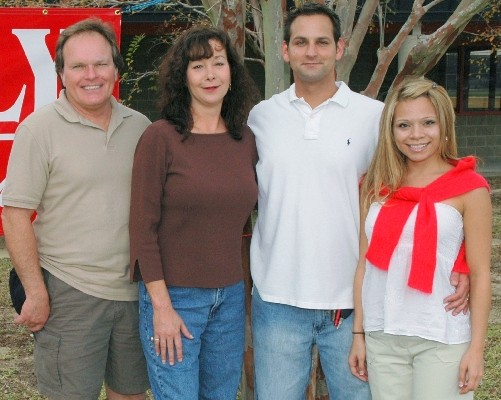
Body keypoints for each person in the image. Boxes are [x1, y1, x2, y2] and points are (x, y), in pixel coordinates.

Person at [247, 3, 470, 400]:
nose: (311, 51)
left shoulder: (376, 117)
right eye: (301, 42)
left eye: (321, 41)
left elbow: (427, 191)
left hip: (355, 303)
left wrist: (460, 262)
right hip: (277, 298)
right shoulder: (261, 118)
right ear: (285, 51)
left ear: (340, 47)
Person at [1, 18, 151, 400]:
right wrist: (35, 292)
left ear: (117, 69)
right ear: (61, 73)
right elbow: (15, 214)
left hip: (135, 291)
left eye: (100, 64)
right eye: (78, 66)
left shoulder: (141, 127)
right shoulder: (38, 130)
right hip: (69, 292)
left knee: (131, 394)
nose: (91, 75)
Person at [129, 26, 259, 400]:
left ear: (231, 72)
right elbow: (142, 229)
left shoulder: (244, 140)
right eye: (198, 66)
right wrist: (162, 307)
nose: (210, 74)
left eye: (219, 63)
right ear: (183, 77)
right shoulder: (161, 137)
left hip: (231, 298)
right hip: (175, 296)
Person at [349, 77, 491, 400]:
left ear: (443, 124)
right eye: (404, 125)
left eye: (428, 122)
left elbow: (481, 273)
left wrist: (477, 348)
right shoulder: (374, 185)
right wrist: (359, 333)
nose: (416, 135)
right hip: (382, 334)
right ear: (391, 130)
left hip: (440, 333)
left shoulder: (469, 186)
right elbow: (363, 264)